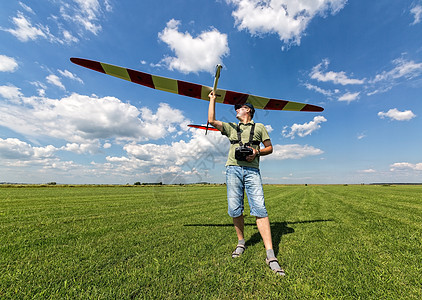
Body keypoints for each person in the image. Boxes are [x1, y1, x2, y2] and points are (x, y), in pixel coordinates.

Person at [207, 91, 285, 276]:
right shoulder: (232, 127)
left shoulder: (259, 127)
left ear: (248, 110)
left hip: (252, 171)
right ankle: (241, 242)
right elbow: (211, 120)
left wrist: (256, 152)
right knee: (235, 208)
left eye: (239, 107)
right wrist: (212, 99)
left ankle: (270, 254)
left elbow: (270, 148)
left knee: (260, 208)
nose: (236, 109)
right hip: (233, 169)